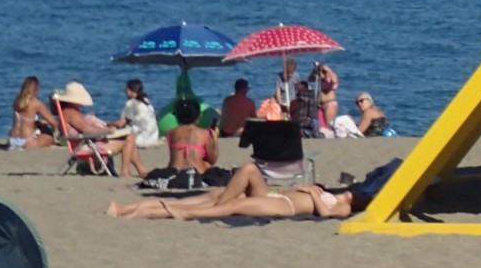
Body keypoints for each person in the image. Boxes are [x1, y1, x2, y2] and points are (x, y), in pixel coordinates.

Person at [106, 161, 367, 221]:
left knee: (231, 206)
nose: (354, 189)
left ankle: (149, 210)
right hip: (275, 195)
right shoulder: (337, 191)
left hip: (281, 207)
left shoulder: (346, 206)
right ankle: (126, 208)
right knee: (245, 172)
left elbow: (325, 214)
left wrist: (312, 194)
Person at [54, 82, 148, 178]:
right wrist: (106, 130)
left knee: (129, 137)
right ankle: (125, 171)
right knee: (129, 139)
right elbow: (87, 130)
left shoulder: (69, 112)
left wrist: (106, 129)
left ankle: (141, 170)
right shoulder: (71, 114)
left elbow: (85, 130)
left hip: (86, 142)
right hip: (87, 146)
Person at [164, 97, 218, 176]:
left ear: (177, 116)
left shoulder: (171, 133)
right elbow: (212, 159)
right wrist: (215, 139)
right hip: (197, 173)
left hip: (174, 173)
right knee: (208, 165)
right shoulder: (203, 133)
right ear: (198, 116)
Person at [9, 76, 56, 149]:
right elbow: (54, 123)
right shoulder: (36, 103)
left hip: (12, 140)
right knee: (50, 138)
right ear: (36, 89)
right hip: (28, 141)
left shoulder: (17, 100)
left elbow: (25, 120)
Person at [120, 78, 161, 153]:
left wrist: (107, 124)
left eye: (126, 89)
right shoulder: (146, 101)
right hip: (153, 137)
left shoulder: (131, 103)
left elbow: (121, 123)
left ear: (129, 90)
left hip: (141, 140)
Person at [311, 62, 341, 131]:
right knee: (321, 125)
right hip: (321, 104)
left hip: (330, 104)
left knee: (329, 124)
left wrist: (328, 70)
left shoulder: (331, 78)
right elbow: (310, 79)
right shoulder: (320, 79)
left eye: (322, 72)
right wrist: (314, 70)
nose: (320, 74)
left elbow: (334, 80)